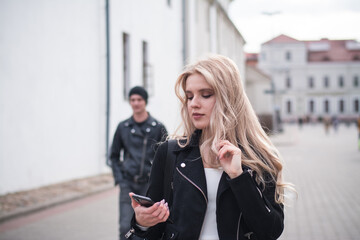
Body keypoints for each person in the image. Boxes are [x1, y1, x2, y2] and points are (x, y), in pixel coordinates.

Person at [126, 55, 293, 240]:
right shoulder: (169, 153)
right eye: (189, 96)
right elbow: (154, 230)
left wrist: (239, 177)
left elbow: (270, 231)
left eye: (206, 94)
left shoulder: (259, 157)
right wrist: (142, 223)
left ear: (229, 97)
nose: (194, 104)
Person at [109, 86, 168, 240]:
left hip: (149, 185)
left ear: (145, 102)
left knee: (148, 225)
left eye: (139, 99)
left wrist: (160, 183)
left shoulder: (158, 127)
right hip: (128, 184)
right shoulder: (123, 127)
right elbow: (114, 156)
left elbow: (166, 158)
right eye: (133, 100)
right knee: (125, 226)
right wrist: (120, 180)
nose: (136, 103)